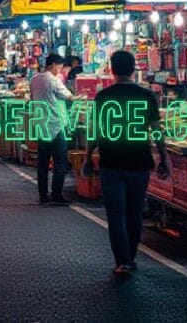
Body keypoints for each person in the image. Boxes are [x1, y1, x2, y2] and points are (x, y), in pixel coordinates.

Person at [83, 51, 169, 276]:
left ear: (111, 69)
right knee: (134, 212)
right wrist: (165, 158)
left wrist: (87, 157)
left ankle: (123, 261)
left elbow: (96, 131)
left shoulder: (103, 96)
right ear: (134, 69)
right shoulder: (147, 95)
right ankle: (130, 257)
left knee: (116, 214)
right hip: (139, 161)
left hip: (111, 161)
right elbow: (157, 130)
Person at [30, 53, 75, 204]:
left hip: (41, 125)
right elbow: (69, 97)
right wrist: (79, 97)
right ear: (54, 65)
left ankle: (43, 195)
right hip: (56, 125)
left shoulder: (34, 79)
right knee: (60, 161)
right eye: (60, 67)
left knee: (42, 162)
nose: (60, 70)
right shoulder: (53, 80)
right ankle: (56, 194)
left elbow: (32, 98)